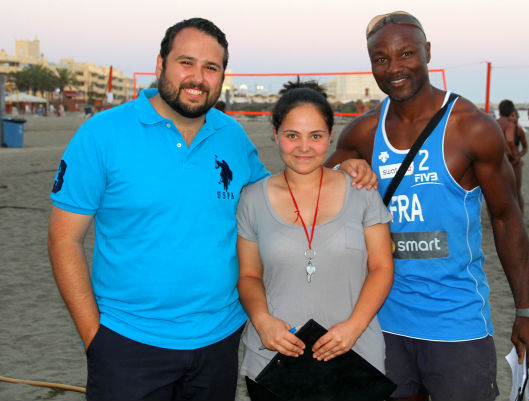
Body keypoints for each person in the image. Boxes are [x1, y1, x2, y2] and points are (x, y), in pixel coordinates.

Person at [47, 18, 376, 401]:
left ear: (221, 76)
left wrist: (344, 170)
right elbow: (63, 240)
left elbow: (284, 194)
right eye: (186, 62)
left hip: (218, 344)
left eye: (211, 68)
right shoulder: (102, 134)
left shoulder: (231, 135)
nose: (197, 77)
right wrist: (95, 339)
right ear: (160, 65)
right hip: (128, 342)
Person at [325, 11, 529, 401]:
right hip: (382, 321)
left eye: (406, 53)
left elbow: (506, 219)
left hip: (456, 323)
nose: (394, 68)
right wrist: (343, 167)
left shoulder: (471, 127)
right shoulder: (362, 132)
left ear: (427, 52)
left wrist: (527, 311)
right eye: (381, 59)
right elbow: (310, 197)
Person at [236, 81, 394, 400]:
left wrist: (354, 326)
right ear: (275, 133)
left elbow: (381, 267)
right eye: (292, 135)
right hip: (275, 360)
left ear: (331, 135)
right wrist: (262, 320)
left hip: (354, 355)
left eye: (316, 136)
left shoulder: (362, 192)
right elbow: (249, 275)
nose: (304, 147)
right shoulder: (252, 199)